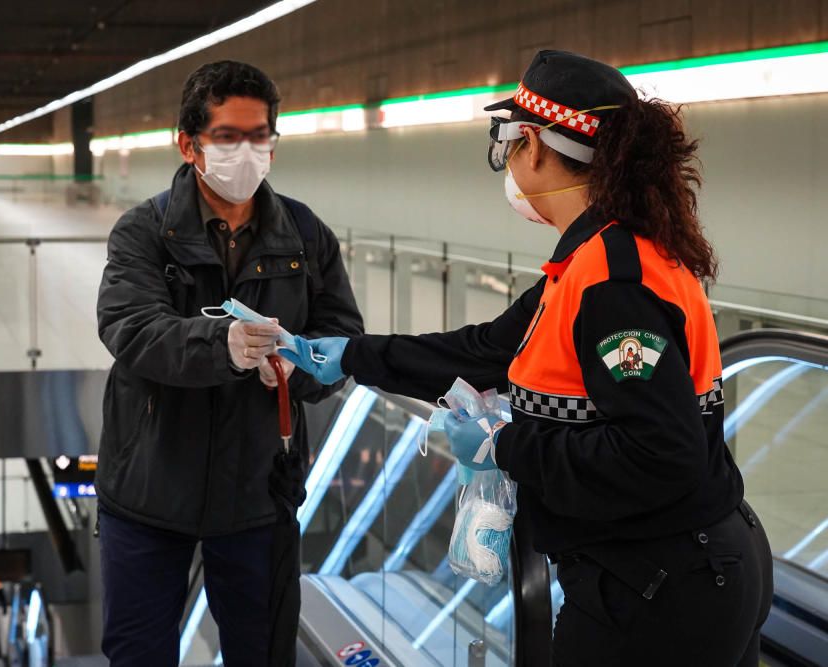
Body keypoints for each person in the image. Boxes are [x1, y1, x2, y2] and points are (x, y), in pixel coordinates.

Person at [281, 50, 773, 666]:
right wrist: (353, 355)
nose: (509, 161)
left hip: (656, 586)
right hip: (687, 565)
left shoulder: (612, 284)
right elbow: (487, 350)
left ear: (534, 144)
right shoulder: (592, 259)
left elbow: (662, 455)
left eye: (508, 142)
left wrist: (502, 446)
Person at [95, 60, 363, 666]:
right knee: (138, 654)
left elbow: (343, 335)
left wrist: (306, 366)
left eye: (259, 135)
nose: (247, 151)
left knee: (263, 651)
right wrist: (223, 346)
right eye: (227, 137)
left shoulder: (304, 235)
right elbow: (131, 328)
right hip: (148, 492)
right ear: (189, 143)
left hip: (258, 492)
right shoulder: (144, 232)